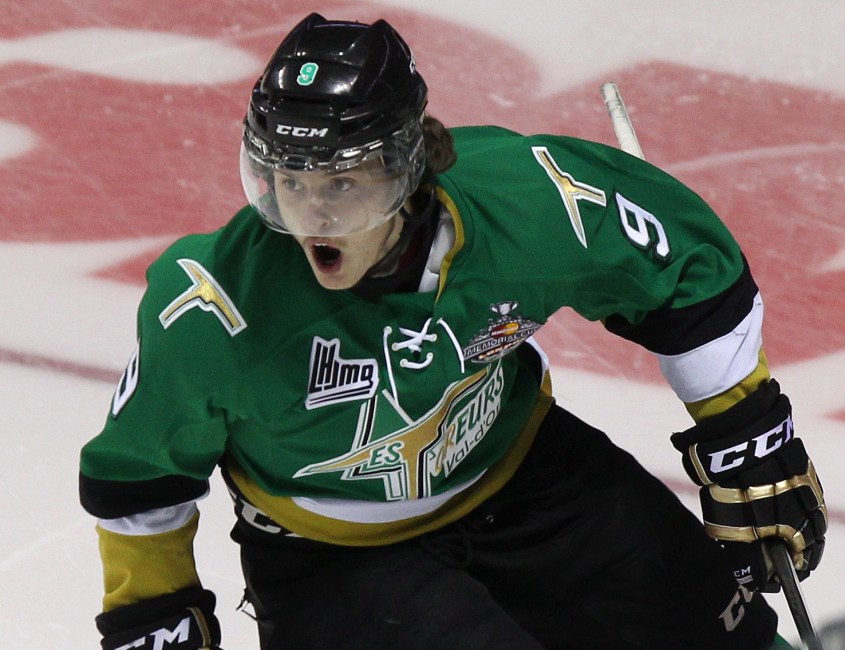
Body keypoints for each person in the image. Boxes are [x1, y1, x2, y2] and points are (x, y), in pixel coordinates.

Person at [78, 13, 827, 650]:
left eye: (340, 182)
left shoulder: (534, 201)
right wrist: (154, 612)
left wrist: (744, 429)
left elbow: (687, 265)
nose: (312, 217)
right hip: (333, 560)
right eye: (289, 182)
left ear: (409, 165)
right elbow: (137, 473)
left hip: (532, 479)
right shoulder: (216, 307)